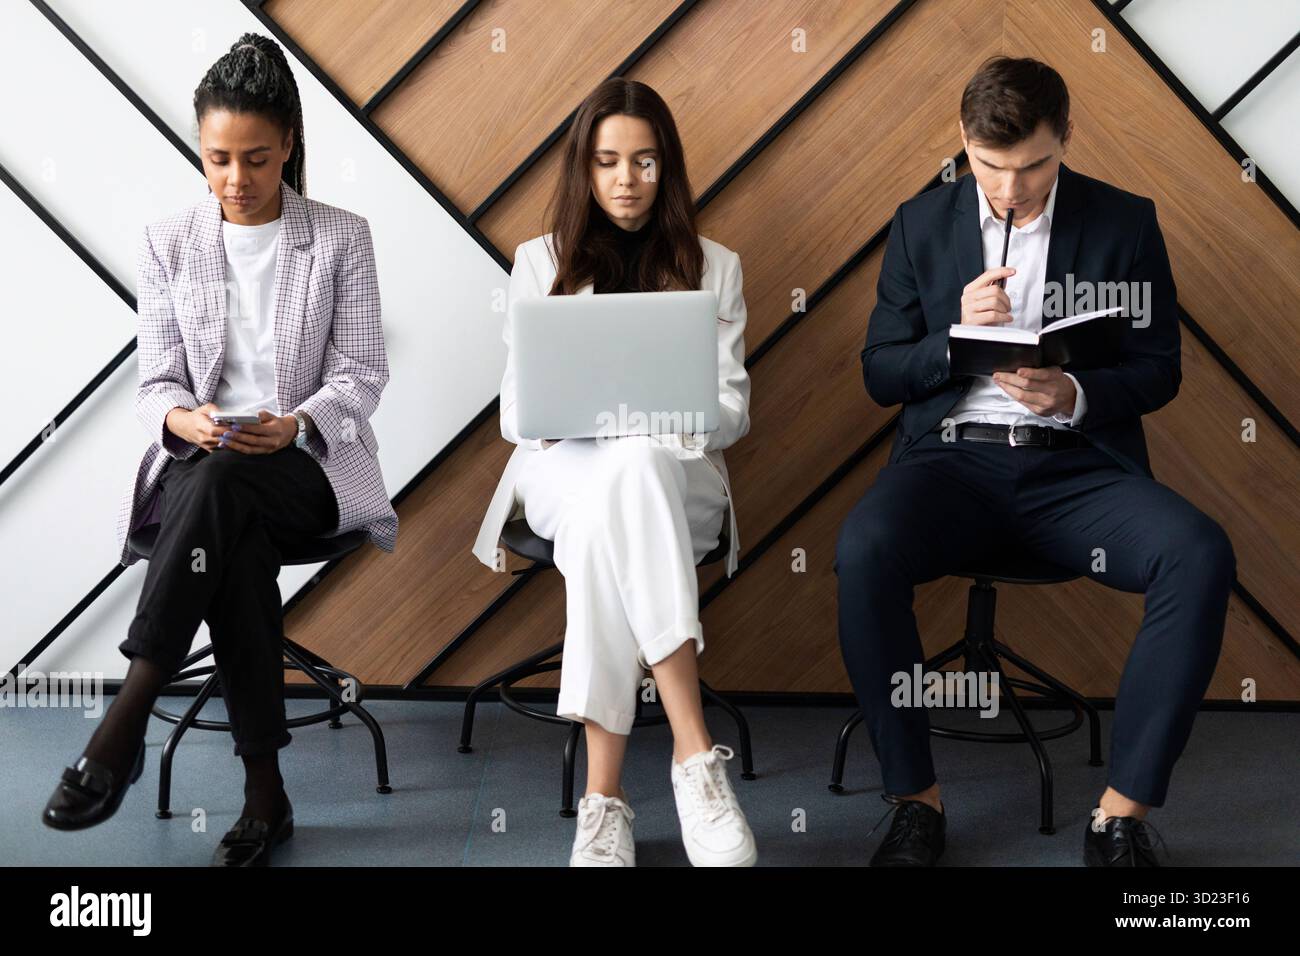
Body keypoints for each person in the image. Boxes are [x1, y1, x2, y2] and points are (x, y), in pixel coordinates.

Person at [834, 57, 1234, 867]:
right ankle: (916, 805)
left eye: (1033, 167)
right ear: (963, 142)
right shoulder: (920, 221)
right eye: (990, 167)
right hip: (950, 463)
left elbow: (1160, 369)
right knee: (863, 549)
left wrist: (1075, 393)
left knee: (1199, 552)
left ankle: (1119, 816)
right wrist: (949, 336)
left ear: (1067, 140)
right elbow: (881, 372)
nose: (1010, 190)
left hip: (1076, 469)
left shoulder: (1126, 221)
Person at [41, 33, 397, 867]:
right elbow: (154, 382)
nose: (236, 180)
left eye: (258, 159)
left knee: (231, 489)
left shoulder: (342, 237)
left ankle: (124, 719)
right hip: (206, 472)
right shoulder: (171, 241)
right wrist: (185, 422)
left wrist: (297, 423)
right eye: (218, 158)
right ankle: (264, 800)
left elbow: (363, 374)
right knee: (230, 541)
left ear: (291, 149)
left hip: (307, 468)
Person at [472, 78, 757, 867]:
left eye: (643, 162)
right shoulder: (539, 262)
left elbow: (734, 412)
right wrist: (590, 415)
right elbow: (515, 415)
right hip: (564, 469)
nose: (626, 180)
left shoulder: (716, 265)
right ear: (583, 170)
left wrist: (671, 412)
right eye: (607, 162)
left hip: (677, 478)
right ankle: (694, 760)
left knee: (627, 482)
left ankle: (604, 802)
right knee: (612, 480)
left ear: (667, 169)